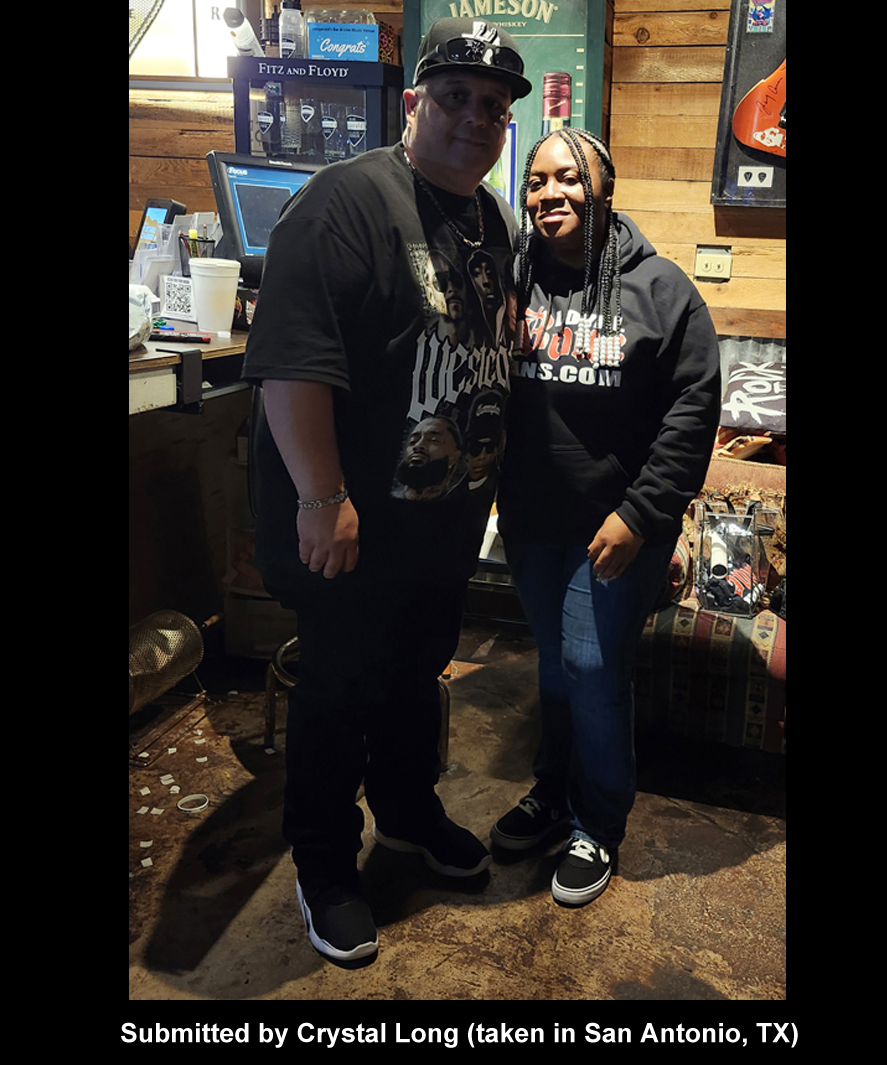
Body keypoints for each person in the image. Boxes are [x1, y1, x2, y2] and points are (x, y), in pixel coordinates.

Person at [240, 18, 531, 965]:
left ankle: (407, 814)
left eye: (493, 105)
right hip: (349, 524)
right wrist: (321, 498)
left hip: (440, 525)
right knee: (340, 690)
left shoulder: (492, 220)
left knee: (415, 676)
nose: (475, 117)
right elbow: (292, 364)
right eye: (455, 96)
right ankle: (325, 865)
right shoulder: (342, 202)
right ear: (413, 103)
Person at [490, 128, 721, 906]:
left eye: (567, 177)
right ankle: (552, 792)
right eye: (535, 181)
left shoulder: (661, 290)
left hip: (619, 528)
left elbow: (692, 412)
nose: (548, 193)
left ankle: (598, 822)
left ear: (605, 189)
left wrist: (642, 513)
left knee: (592, 668)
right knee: (555, 667)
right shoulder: (511, 278)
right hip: (532, 522)